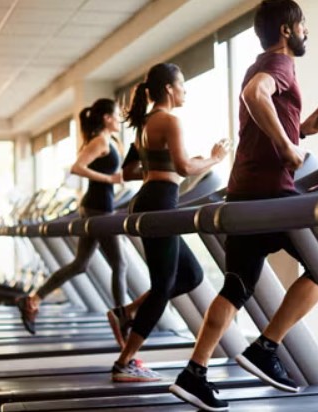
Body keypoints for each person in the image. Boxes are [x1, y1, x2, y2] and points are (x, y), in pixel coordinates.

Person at [169, 1, 318, 410]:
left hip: (244, 192)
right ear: (287, 29)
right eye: (303, 25)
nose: (306, 32)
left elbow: (261, 109)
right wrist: (288, 147)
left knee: (236, 286)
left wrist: (300, 131)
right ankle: (266, 347)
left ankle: (194, 373)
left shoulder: (262, 62)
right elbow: (254, 94)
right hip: (271, 194)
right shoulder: (279, 64)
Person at [110, 63, 229, 382]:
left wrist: (156, 172)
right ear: (168, 89)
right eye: (182, 84)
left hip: (151, 198)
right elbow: (186, 165)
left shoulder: (145, 123)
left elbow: (130, 171)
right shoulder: (169, 121)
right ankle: (124, 362)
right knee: (163, 287)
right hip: (160, 200)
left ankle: (128, 313)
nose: (185, 90)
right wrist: (215, 158)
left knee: (190, 275)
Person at [17, 98, 146, 336]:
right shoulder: (100, 141)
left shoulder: (112, 141)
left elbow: (118, 173)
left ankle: (33, 300)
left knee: (80, 264)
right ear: (107, 118)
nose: (119, 119)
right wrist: (108, 179)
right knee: (119, 263)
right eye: (116, 115)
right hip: (97, 209)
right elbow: (77, 168)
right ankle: (121, 316)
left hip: (99, 207)